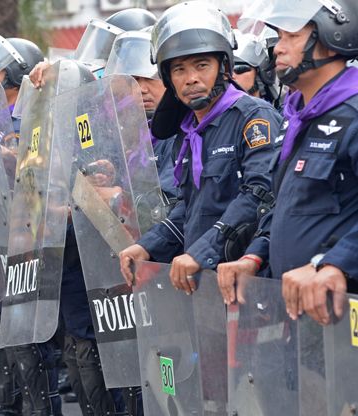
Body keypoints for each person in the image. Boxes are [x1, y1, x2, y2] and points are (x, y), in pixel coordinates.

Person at [118, 1, 281, 296]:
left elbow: (260, 194)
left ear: (224, 67)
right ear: (168, 78)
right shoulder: (188, 130)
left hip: (249, 285)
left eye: (202, 65)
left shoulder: (253, 117)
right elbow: (193, 207)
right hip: (202, 284)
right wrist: (147, 245)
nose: (191, 78)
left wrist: (203, 251)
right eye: (179, 69)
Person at [216, 0, 358, 326]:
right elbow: (286, 208)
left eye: (290, 35)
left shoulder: (352, 113)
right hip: (298, 317)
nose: (278, 48)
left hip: (343, 321)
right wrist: (255, 255)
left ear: (332, 35)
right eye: (278, 36)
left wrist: (333, 264)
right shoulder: (297, 117)